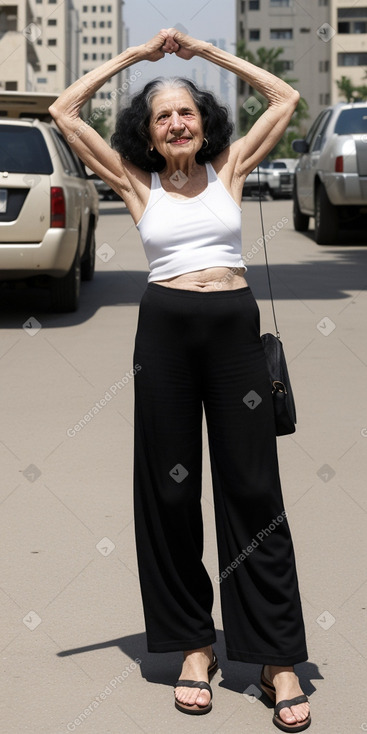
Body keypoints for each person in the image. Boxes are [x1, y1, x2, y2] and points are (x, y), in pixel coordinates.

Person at [49, 28, 311, 731]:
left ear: (203, 121)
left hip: (231, 333)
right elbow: (65, 113)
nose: (174, 123)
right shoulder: (136, 184)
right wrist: (138, 59)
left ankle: (277, 658)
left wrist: (204, 56)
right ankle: (195, 646)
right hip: (164, 336)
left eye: (186, 112)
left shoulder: (229, 169)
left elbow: (284, 94)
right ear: (148, 129)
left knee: (253, 488)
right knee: (169, 488)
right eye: (161, 114)